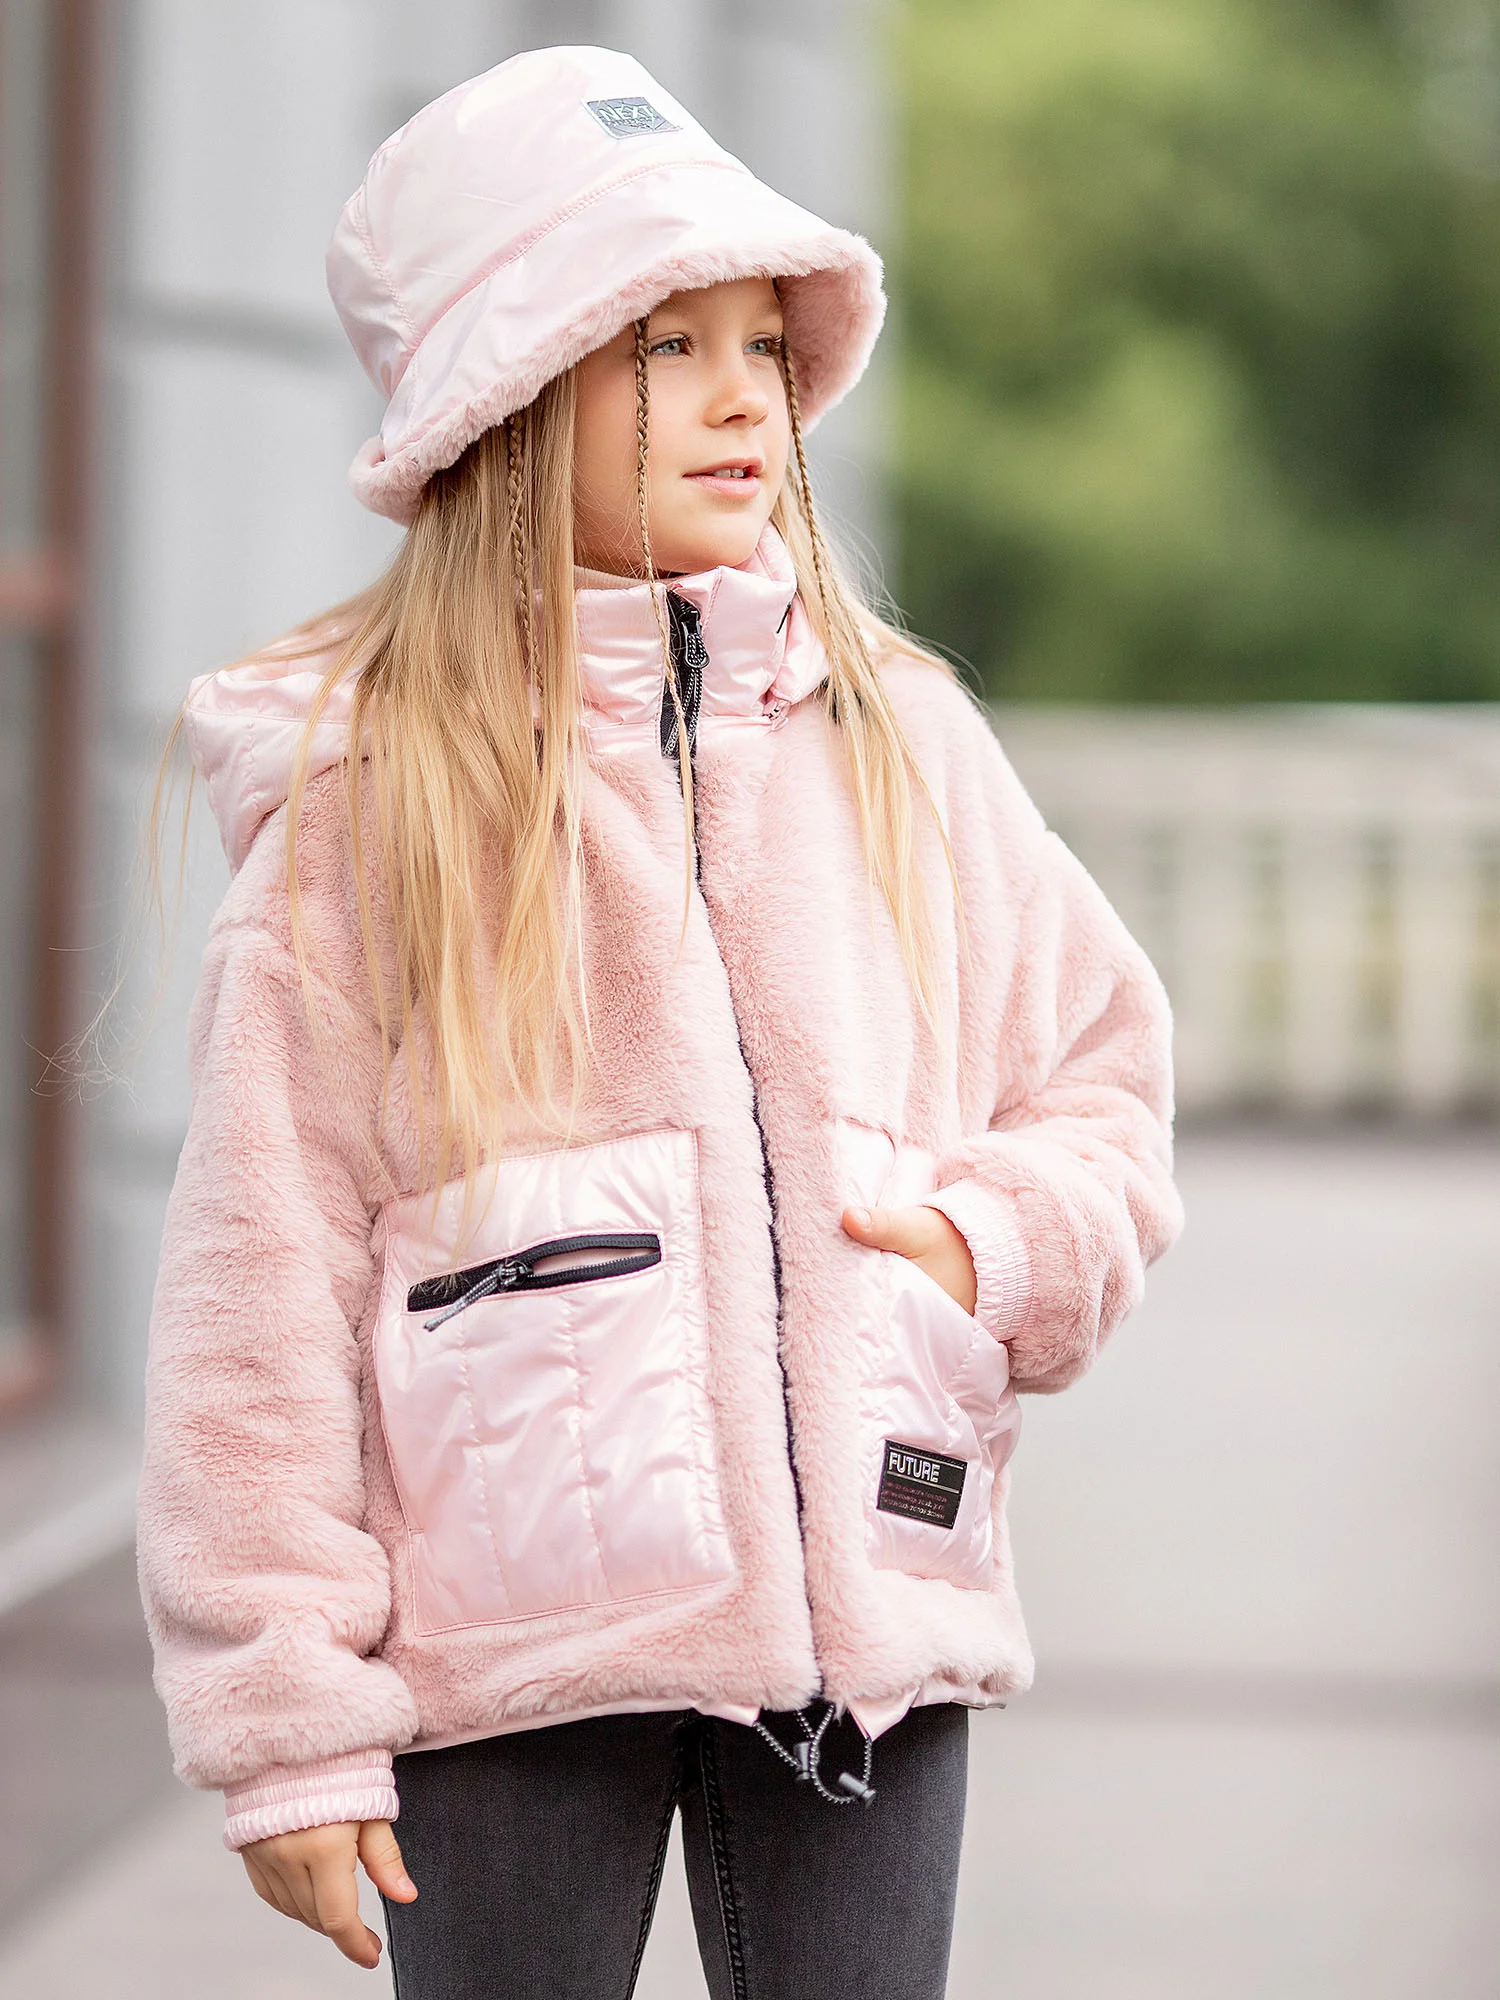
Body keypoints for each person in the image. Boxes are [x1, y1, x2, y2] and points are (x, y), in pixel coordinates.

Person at [136, 45, 1183, 2000]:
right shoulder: (381, 808)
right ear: (508, 398)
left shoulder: (903, 744)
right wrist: (283, 1719)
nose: (741, 397)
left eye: (764, 347)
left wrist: (985, 1247)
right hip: (508, 1646)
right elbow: (258, 1295)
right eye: (665, 347)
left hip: (870, 1617)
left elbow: (1102, 1082)